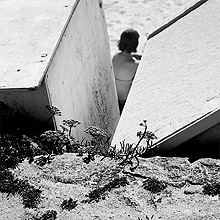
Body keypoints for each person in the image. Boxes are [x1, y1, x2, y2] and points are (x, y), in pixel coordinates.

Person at [112, 28, 141, 114]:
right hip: (123, 100)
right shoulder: (134, 65)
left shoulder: (116, 56)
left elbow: (127, 57)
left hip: (115, 95)